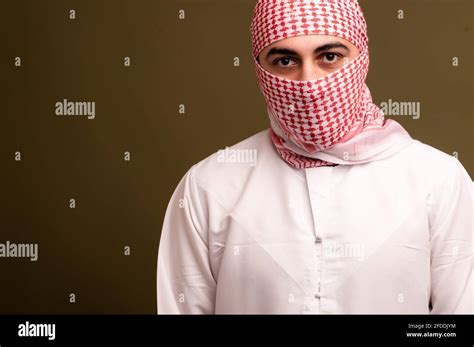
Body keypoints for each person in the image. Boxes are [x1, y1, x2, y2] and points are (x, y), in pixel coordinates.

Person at [156, 0, 473, 314]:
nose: (308, 83)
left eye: (329, 56)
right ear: (259, 70)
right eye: (284, 61)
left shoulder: (439, 181)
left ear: (362, 58)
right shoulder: (208, 188)